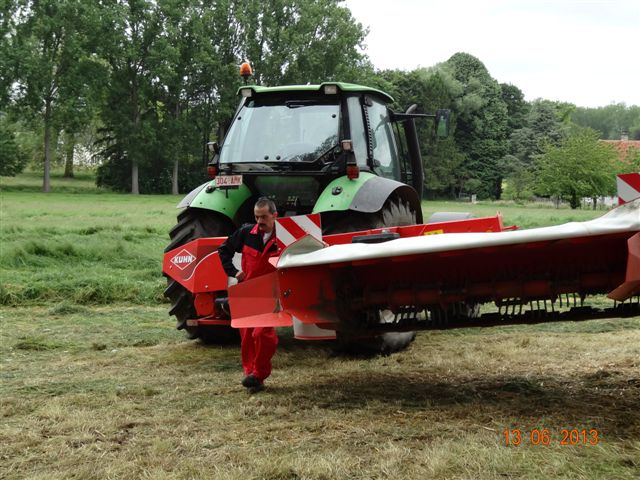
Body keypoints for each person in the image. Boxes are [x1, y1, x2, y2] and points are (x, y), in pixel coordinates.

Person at [218, 197, 279, 393]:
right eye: (256, 217)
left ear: (274, 216)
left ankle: (259, 373)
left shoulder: (285, 236)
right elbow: (224, 250)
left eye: (264, 217)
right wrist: (234, 272)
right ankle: (251, 376)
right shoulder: (246, 233)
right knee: (246, 338)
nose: (260, 221)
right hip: (246, 292)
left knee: (262, 334)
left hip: (270, 293)